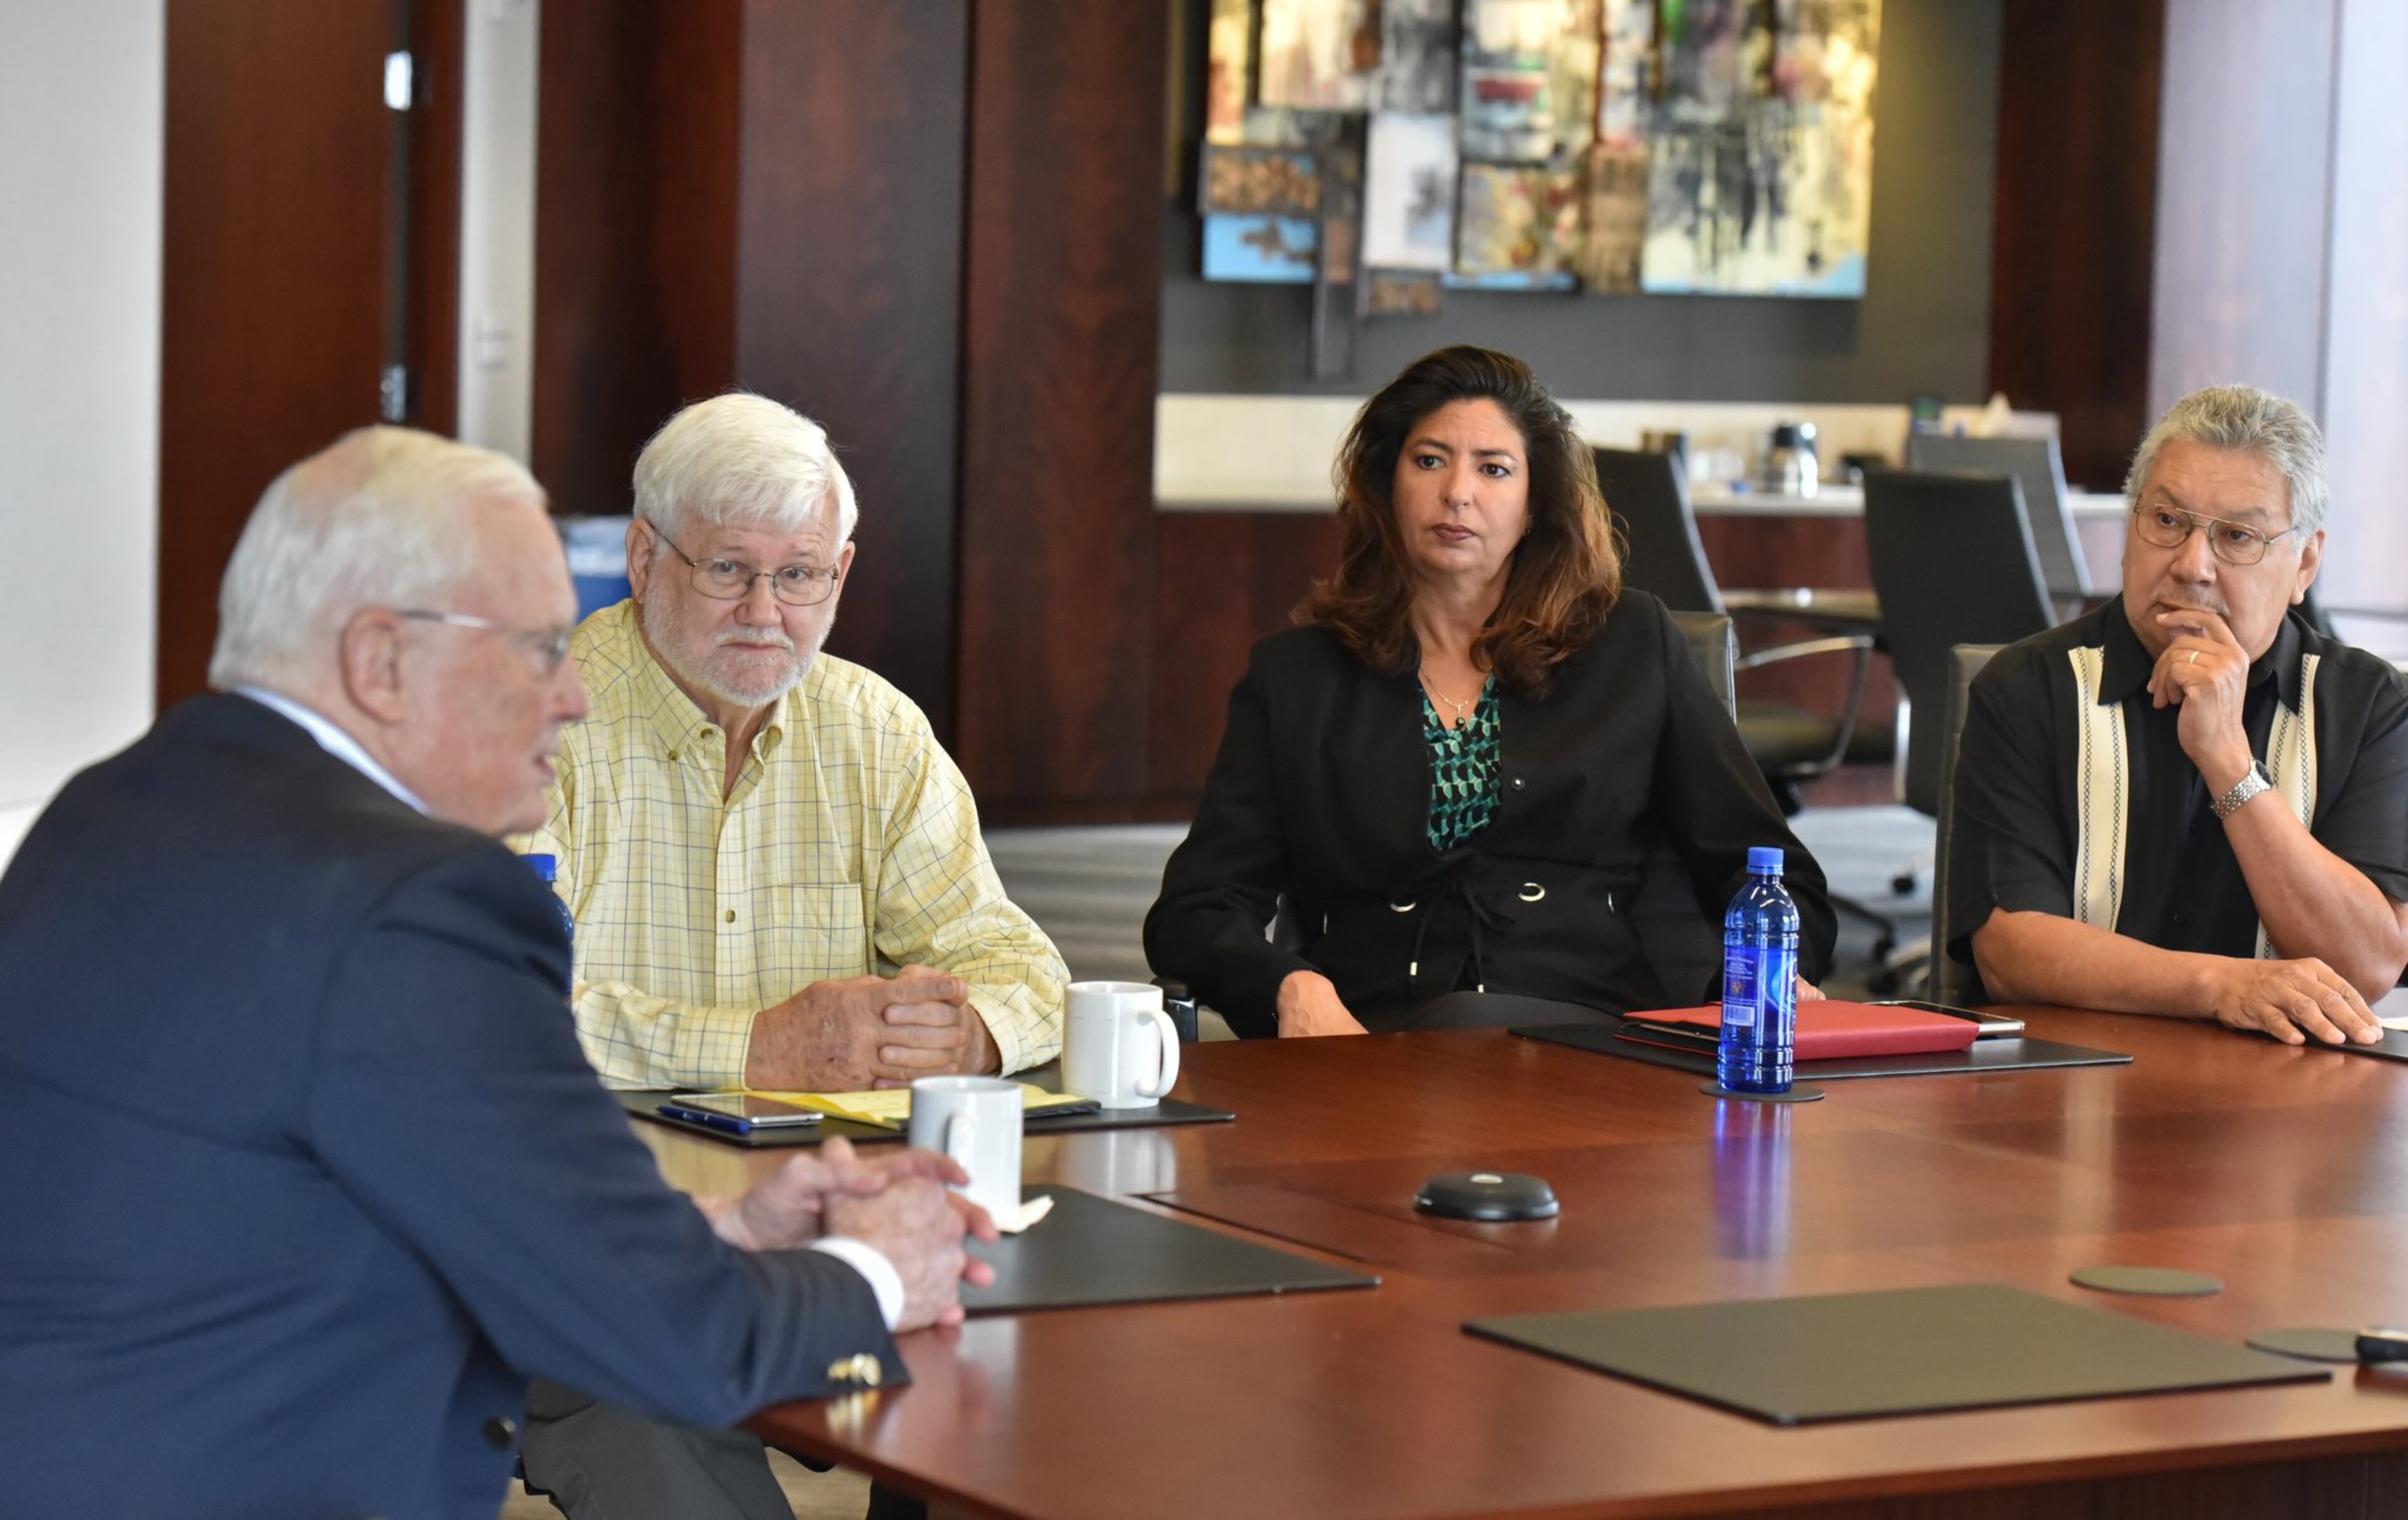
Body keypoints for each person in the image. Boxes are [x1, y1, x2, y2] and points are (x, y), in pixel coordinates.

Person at [0, 428, 993, 1520]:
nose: (572, 695)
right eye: (536, 648)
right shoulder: (412, 900)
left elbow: (355, 1180)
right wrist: (877, 1268)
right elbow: (676, 1340)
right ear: (380, 660)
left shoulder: (112, 807)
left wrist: (729, 1229)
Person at [1144, 346, 1834, 1035]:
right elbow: (1197, 908)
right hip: (1371, 1047)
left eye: (1494, 469)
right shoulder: (1298, 677)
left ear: (1535, 504)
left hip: (1586, 1039)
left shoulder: (1630, 646)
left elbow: (1773, 875)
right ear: (1385, 485)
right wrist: (1285, 986)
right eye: (1429, 460)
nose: (1458, 493)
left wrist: (1753, 985)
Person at [519, 393, 1065, 1092]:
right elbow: (487, 1002)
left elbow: (1021, 968)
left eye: (799, 575)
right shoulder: (536, 723)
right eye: (727, 568)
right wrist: (757, 1048)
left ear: (841, 573)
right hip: (585, 1166)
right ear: (643, 559)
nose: (763, 612)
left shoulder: (877, 732)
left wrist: (968, 1036)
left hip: (831, 1172)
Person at [1947, 386, 2408, 1043]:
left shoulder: (2366, 707)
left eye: (2238, 537)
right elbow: (2010, 952)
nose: (2193, 565)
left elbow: (2367, 965)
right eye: (2166, 522)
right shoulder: (2028, 688)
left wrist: (2229, 761)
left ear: (2304, 562)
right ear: (2129, 533)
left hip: (2283, 1103)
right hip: (2059, 1083)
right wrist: (2221, 987)